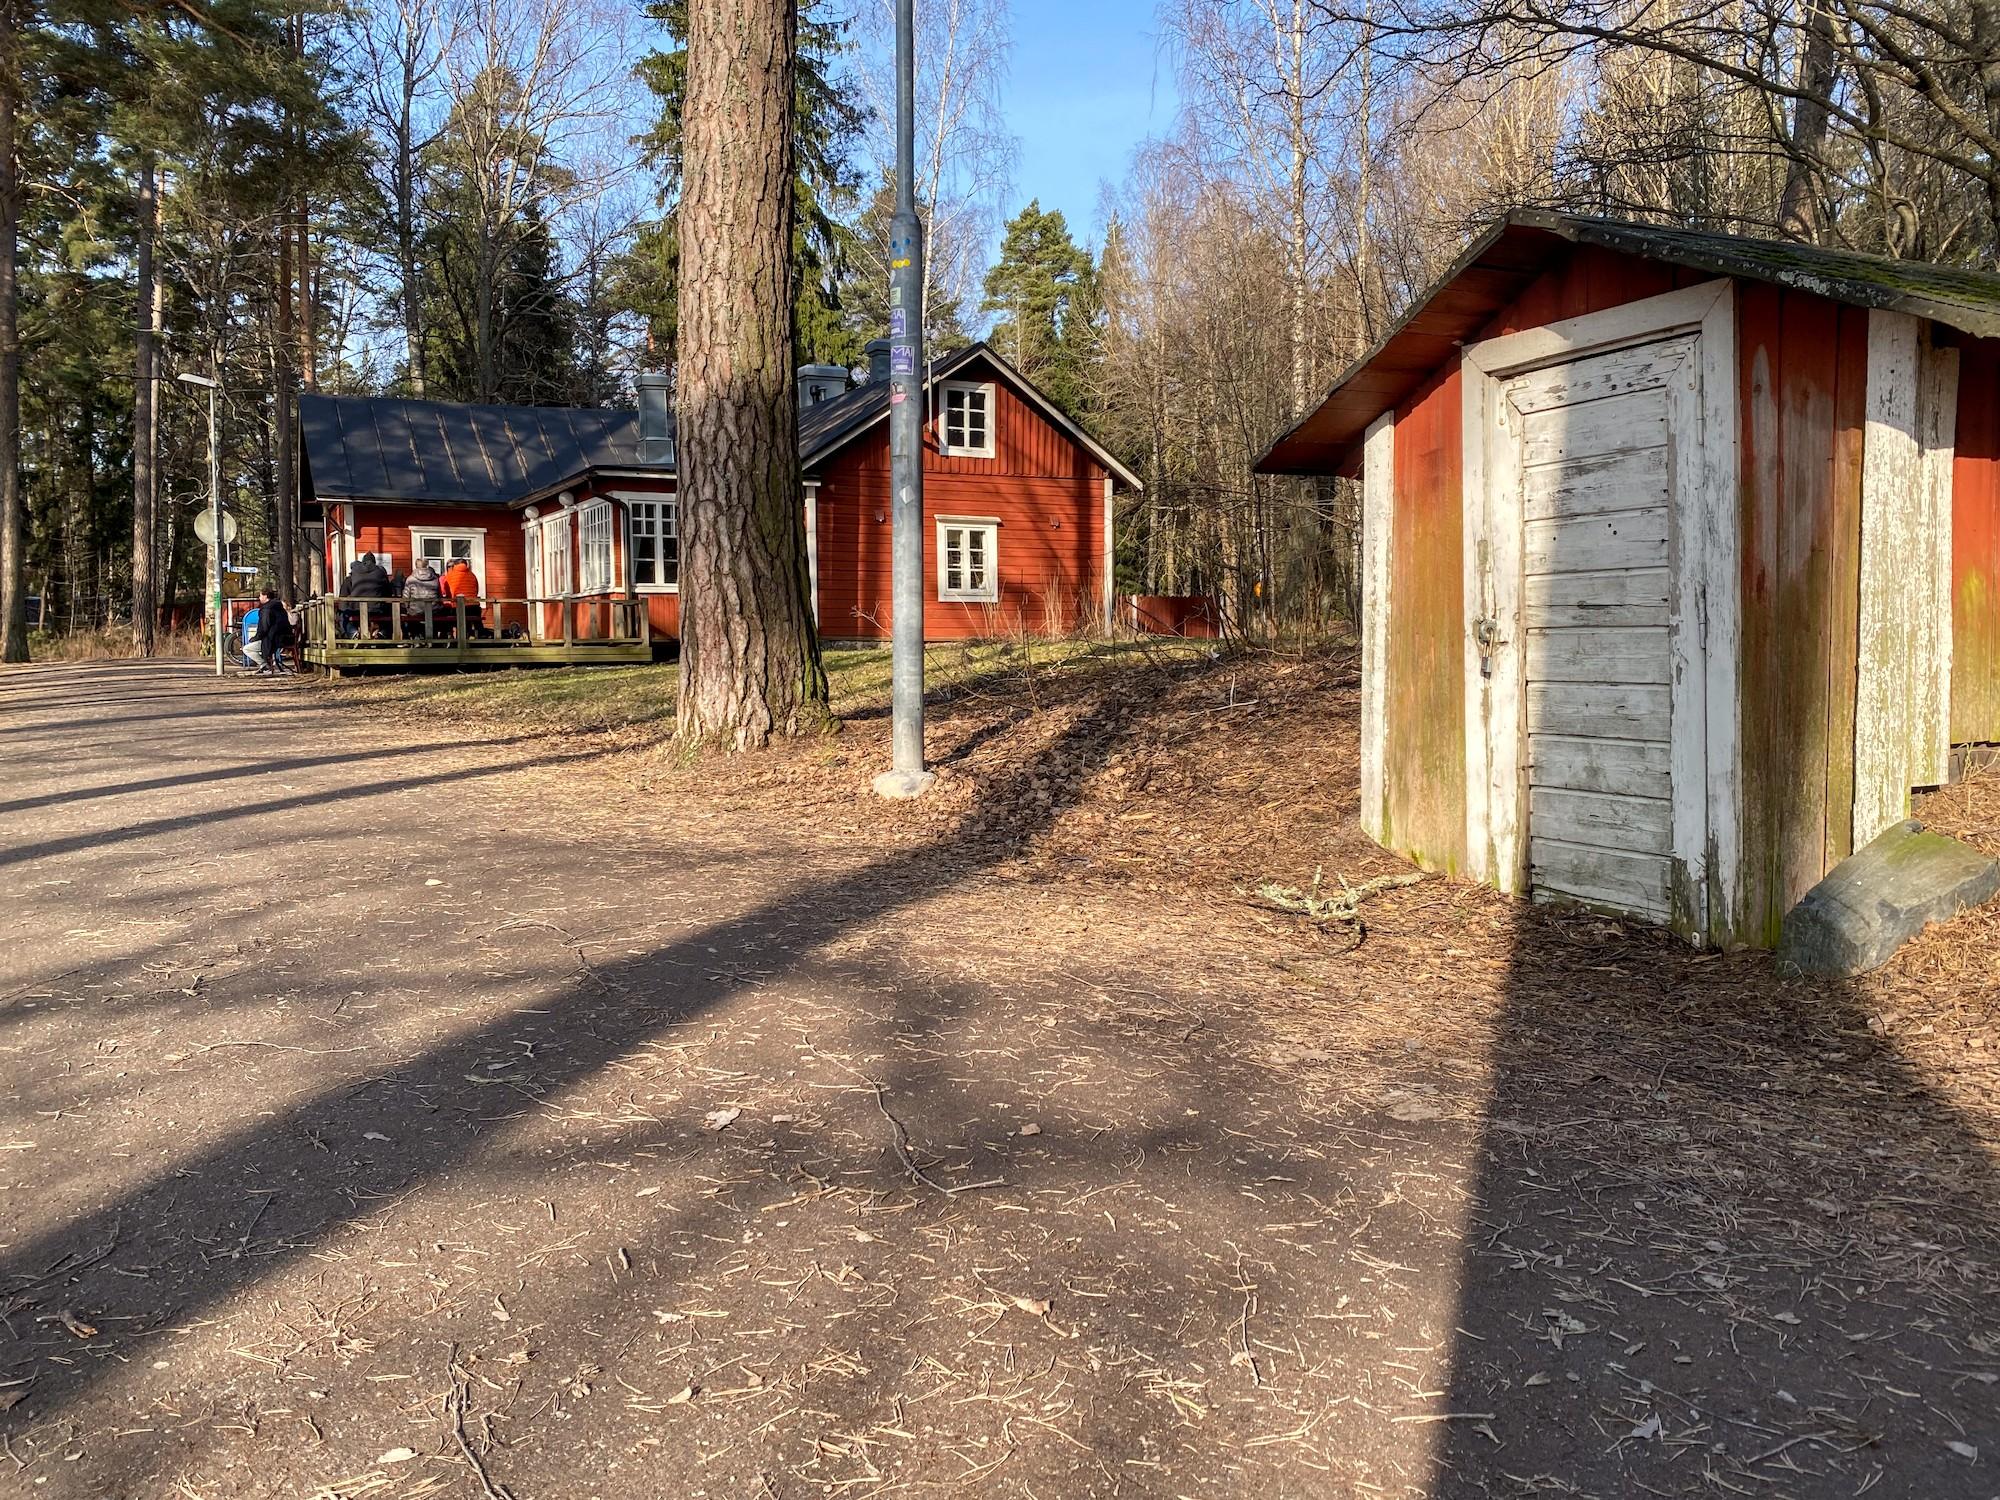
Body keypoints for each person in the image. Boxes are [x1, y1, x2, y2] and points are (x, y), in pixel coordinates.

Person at [343, 552, 393, 638]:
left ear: (363, 562)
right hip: (376, 608)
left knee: (344, 616)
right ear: (374, 562)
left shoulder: (354, 573)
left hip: (356, 608)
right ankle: (382, 633)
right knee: (391, 615)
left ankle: (353, 633)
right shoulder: (380, 572)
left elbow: (344, 592)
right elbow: (387, 591)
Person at [439, 555, 483, 634]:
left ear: (455, 565)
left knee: (452, 619)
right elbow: (476, 589)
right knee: (474, 621)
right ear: (466, 565)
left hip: (458, 607)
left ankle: (457, 640)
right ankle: (475, 639)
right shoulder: (472, 575)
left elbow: (447, 592)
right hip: (474, 607)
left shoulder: (450, 575)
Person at [255, 588, 294, 673]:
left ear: (265, 596)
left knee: (247, 649)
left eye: (260, 595)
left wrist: (257, 637)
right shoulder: (278, 607)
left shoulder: (267, 609)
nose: (259, 598)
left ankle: (265, 665)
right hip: (284, 637)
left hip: (273, 639)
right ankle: (266, 665)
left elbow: (264, 626)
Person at [403, 557, 443, 639]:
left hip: (415, 609)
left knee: (411, 615)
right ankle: (433, 640)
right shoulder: (435, 578)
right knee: (435, 615)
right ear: (427, 565)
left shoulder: (410, 579)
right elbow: (439, 594)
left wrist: (406, 606)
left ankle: (417, 638)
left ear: (416, 566)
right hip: (433, 609)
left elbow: (406, 596)